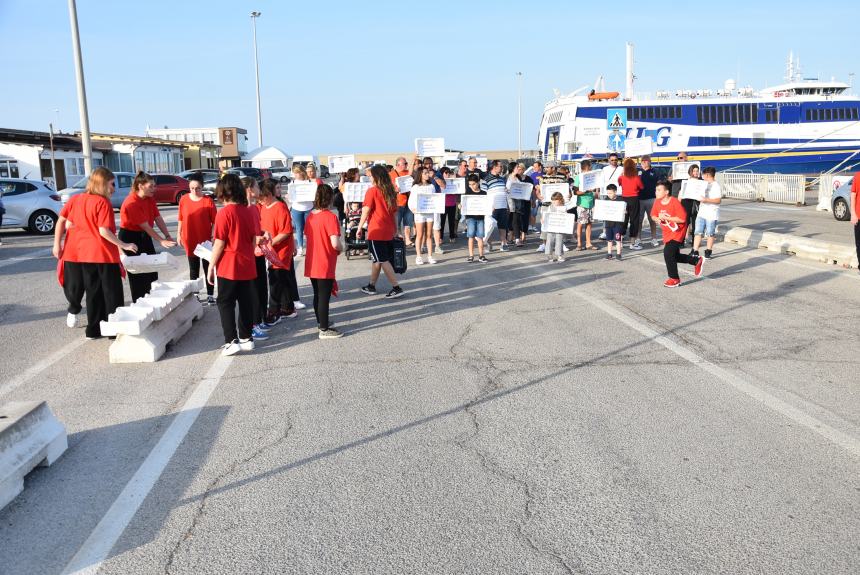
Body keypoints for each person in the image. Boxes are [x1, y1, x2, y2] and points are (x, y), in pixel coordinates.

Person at [52, 167, 136, 339]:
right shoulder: (102, 202)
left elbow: (61, 220)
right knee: (112, 294)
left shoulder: (76, 199)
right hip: (102, 254)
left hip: (83, 255)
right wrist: (124, 245)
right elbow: (104, 231)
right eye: (112, 184)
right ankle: (113, 330)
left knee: (93, 293)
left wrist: (56, 244)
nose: (114, 188)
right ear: (103, 184)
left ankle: (93, 330)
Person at [208, 174, 259, 356]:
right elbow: (253, 240)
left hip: (229, 264)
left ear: (223, 192)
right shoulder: (248, 211)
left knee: (225, 302)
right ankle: (246, 338)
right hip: (247, 263)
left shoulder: (224, 213)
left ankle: (231, 340)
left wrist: (210, 266)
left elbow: (219, 243)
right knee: (245, 302)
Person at [118, 171, 176, 302]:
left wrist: (167, 235)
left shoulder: (149, 199)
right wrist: (160, 240)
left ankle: (153, 300)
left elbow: (157, 218)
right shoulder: (131, 202)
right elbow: (145, 226)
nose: (154, 189)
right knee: (138, 273)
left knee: (151, 269)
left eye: (154, 186)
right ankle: (140, 303)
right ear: (140, 186)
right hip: (130, 237)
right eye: (151, 186)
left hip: (144, 235)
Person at [357, 164, 405, 298]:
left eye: (371, 175)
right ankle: (371, 285)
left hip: (376, 230)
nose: (369, 178)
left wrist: (359, 227)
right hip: (388, 230)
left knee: (382, 259)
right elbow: (395, 214)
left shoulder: (372, 191)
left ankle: (396, 287)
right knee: (377, 259)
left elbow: (366, 210)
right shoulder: (390, 191)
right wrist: (396, 230)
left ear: (376, 177)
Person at [304, 184, 344, 339]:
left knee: (317, 295)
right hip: (324, 261)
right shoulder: (330, 217)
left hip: (312, 260)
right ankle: (324, 329)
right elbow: (335, 243)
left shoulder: (310, 216)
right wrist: (340, 249)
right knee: (324, 297)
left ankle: (321, 321)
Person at [259, 179, 296, 334]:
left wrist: (271, 243)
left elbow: (286, 231)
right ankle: (288, 307)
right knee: (283, 278)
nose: (260, 199)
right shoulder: (263, 207)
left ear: (268, 194)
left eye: (262, 196)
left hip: (280, 250)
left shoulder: (280, 207)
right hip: (270, 249)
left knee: (275, 280)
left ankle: (274, 312)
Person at [652, 180, 704, 287]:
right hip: (667, 232)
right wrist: (657, 219)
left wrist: (667, 218)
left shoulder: (674, 202)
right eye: (656, 190)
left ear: (666, 192)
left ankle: (674, 279)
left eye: (658, 190)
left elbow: (682, 219)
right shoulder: (657, 202)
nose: (656, 192)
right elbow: (653, 215)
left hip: (678, 232)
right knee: (674, 256)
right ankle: (695, 261)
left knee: (667, 253)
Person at [177, 174, 217, 304]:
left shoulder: (208, 201)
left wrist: (212, 236)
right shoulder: (184, 200)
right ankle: (195, 295)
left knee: (208, 268)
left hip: (205, 241)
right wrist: (178, 234)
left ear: (202, 187)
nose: (195, 191)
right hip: (189, 238)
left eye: (198, 188)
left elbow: (215, 222)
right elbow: (181, 218)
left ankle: (210, 295)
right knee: (193, 269)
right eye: (192, 188)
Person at [241, 177, 274, 331]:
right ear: (249, 189)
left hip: (259, 253)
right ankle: (254, 323)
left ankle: (261, 317)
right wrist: (256, 237)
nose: (259, 190)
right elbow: (243, 234)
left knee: (262, 286)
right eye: (256, 186)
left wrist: (263, 232)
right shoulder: (243, 209)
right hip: (250, 254)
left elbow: (256, 229)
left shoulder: (254, 208)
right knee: (253, 289)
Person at [408, 166, 440, 265]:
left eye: (428, 173)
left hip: (430, 213)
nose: (427, 175)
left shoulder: (431, 186)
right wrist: (413, 209)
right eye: (425, 173)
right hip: (419, 214)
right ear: (420, 175)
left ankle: (430, 256)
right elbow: (411, 201)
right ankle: (418, 256)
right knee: (420, 235)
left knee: (429, 235)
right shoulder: (415, 187)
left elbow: (434, 199)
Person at [692, 166, 722, 260]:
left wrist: (706, 200)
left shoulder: (716, 185)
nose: (702, 176)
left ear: (708, 175)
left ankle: (708, 251)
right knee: (698, 232)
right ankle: (695, 250)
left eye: (703, 174)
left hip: (711, 214)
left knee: (710, 233)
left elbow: (718, 200)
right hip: (702, 212)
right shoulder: (703, 184)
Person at [483, 160, 509, 251]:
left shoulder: (502, 179)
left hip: (503, 206)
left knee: (503, 226)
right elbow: (483, 194)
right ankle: (488, 244)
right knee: (490, 226)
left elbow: (504, 191)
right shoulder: (486, 179)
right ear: (494, 167)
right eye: (500, 166)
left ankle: (503, 243)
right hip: (492, 207)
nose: (502, 168)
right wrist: (488, 206)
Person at [618, 158, 644, 250]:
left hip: (624, 199)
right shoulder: (636, 178)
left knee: (623, 220)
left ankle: (619, 241)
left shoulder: (622, 177)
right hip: (634, 199)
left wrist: (622, 174)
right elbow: (641, 187)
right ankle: (632, 243)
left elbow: (619, 182)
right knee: (634, 220)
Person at [389, 157, 414, 247]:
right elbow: (388, 188)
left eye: (407, 163)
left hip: (408, 201)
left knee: (408, 222)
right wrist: (394, 189)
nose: (407, 165)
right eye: (405, 163)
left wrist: (414, 159)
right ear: (398, 164)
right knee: (397, 223)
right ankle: (398, 239)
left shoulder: (407, 173)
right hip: (397, 203)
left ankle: (407, 239)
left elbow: (411, 172)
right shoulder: (391, 174)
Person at [575, 159, 599, 250]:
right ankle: (579, 243)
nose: (591, 168)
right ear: (587, 167)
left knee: (589, 223)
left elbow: (596, 187)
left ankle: (588, 243)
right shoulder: (578, 177)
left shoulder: (592, 176)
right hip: (582, 203)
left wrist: (596, 193)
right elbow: (575, 191)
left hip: (591, 202)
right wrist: (585, 191)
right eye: (590, 167)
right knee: (580, 223)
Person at [598, 153, 623, 240]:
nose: (614, 161)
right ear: (608, 160)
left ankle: (618, 232)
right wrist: (600, 193)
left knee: (617, 214)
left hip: (618, 193)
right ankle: (605, 232)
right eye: (612, 160)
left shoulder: (621, 169)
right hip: (606, 193)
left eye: (615, 160)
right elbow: (601, 182)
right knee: (606, 214)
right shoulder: (604, 169)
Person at [290, 164, 313, 256]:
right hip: (297, 208)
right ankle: (300, 247)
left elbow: (313, 193)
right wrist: (289, 197)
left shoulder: (309, 182)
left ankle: (310, 247)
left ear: (302, 172)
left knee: (309, 229)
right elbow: (290, 195)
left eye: (297, 173)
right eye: (294, 173)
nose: (296, 175)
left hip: (308, 208)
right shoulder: (292, 183)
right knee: (299, 229)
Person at [464, 174, 487, 262]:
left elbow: (487, 204)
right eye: (470, 184)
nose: (471, 186)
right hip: (470, 218)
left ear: (478, 183)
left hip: (481, 218)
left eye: (473, 184)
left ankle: (481, 255)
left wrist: (490, 208)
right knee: (471, 236)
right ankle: (471, 255)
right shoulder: (468, 193)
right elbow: (464, 205)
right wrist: (461, 206)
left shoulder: (483, 193)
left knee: (480, 236)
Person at [506, 162, 531, 246]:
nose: (518, 169)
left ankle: (517, 239)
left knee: (516, 220)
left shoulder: (518, 178)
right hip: (508, 203)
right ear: (512, 168)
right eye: (517, 167)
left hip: (518, 203)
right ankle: (509, 237)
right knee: (509, 220)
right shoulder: (506, 178)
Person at [638, 155, 660, 246]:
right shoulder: (638, 171)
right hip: (639, 199)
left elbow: (659, 184)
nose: (643, 163)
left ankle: (654, 238)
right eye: (642, 161)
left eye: (646, 161)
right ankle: (638, 238)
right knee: (639, 220)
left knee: (652, 220)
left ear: (650, 162)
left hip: (651, 199)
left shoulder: (654, 172)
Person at [680, 164, 702, 246]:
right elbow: (682, 193)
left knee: (695, 224)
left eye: (697, 171)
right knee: (685, 223)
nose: (696, 172)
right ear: (691, 172)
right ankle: (681, 241)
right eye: (694, 171)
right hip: (686, 203)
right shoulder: (686, 181)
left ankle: (694, 242)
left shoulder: (701, 181)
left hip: (696, 203)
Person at [544, 192, 569, 263]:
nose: (554, 202)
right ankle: (549, 255)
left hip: (560, 227)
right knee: (550, 240)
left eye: (555, 200)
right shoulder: (550, 206)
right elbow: (546, 215)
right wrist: (543, 219)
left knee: (559, 240)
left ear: (560, 199)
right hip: (551, 227)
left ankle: (559, 255)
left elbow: (566, 216)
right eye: (553, 200)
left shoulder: (564, 207)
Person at [603, 184, 625, 261]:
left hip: (617, 224)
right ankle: (609, 254)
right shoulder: (606, 200)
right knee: (609, 240)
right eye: (608, 193)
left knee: (618, 240)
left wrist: (624, 211)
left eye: (610, 193)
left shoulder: (620, 200)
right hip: (608, 224)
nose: (609, 195)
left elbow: (625, 211)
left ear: (615, 192)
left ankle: (618, 254)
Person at [438, 166, 459, 244]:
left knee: (451, 221)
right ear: (442, 174)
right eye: (446, 173)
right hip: (443, 204)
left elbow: (458, 190)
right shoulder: (440, 181)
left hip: (452, 203)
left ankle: (452, 236)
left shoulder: (452, 181)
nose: (447, 174)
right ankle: (440, 237)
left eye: (448, 173)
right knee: (442, 222)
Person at [852, 172, 860, 274]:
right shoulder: (858, 176)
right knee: (859, 244)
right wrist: (853, 214)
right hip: (859, 217)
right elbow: (853, 195)